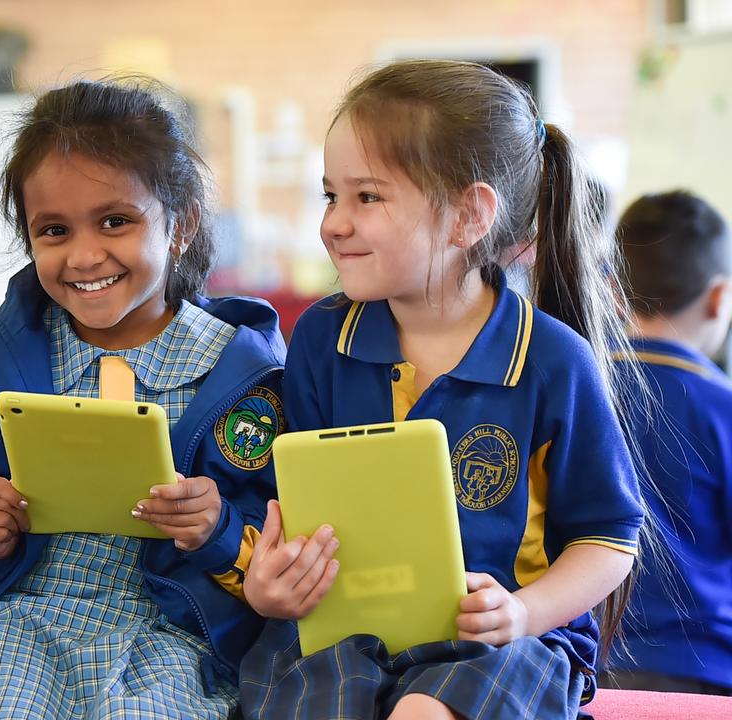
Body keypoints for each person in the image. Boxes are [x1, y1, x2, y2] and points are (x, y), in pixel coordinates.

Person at [239, 59, 644, 719]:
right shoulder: (319, 337)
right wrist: (268, 584)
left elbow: (609, 537)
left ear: (468, 216)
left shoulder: (550, 360)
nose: (334, 223)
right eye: (330, 195)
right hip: (342, 633)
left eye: (366, 197)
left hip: (501, 640)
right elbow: (291, 507)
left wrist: (521, 612)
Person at [0, 78, 286, 719]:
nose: (83, 255)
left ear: (179, 225)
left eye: (115, 221)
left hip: (178, 639)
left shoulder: (244, 375)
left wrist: (216, 530)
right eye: (53, 230)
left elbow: (292, 547)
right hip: (16, 623)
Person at [605, 190, 732, 695]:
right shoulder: (721, 406)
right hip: (707, 674)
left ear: (613, 289)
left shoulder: (576, 386)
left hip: (583, 666)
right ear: (719, 297)